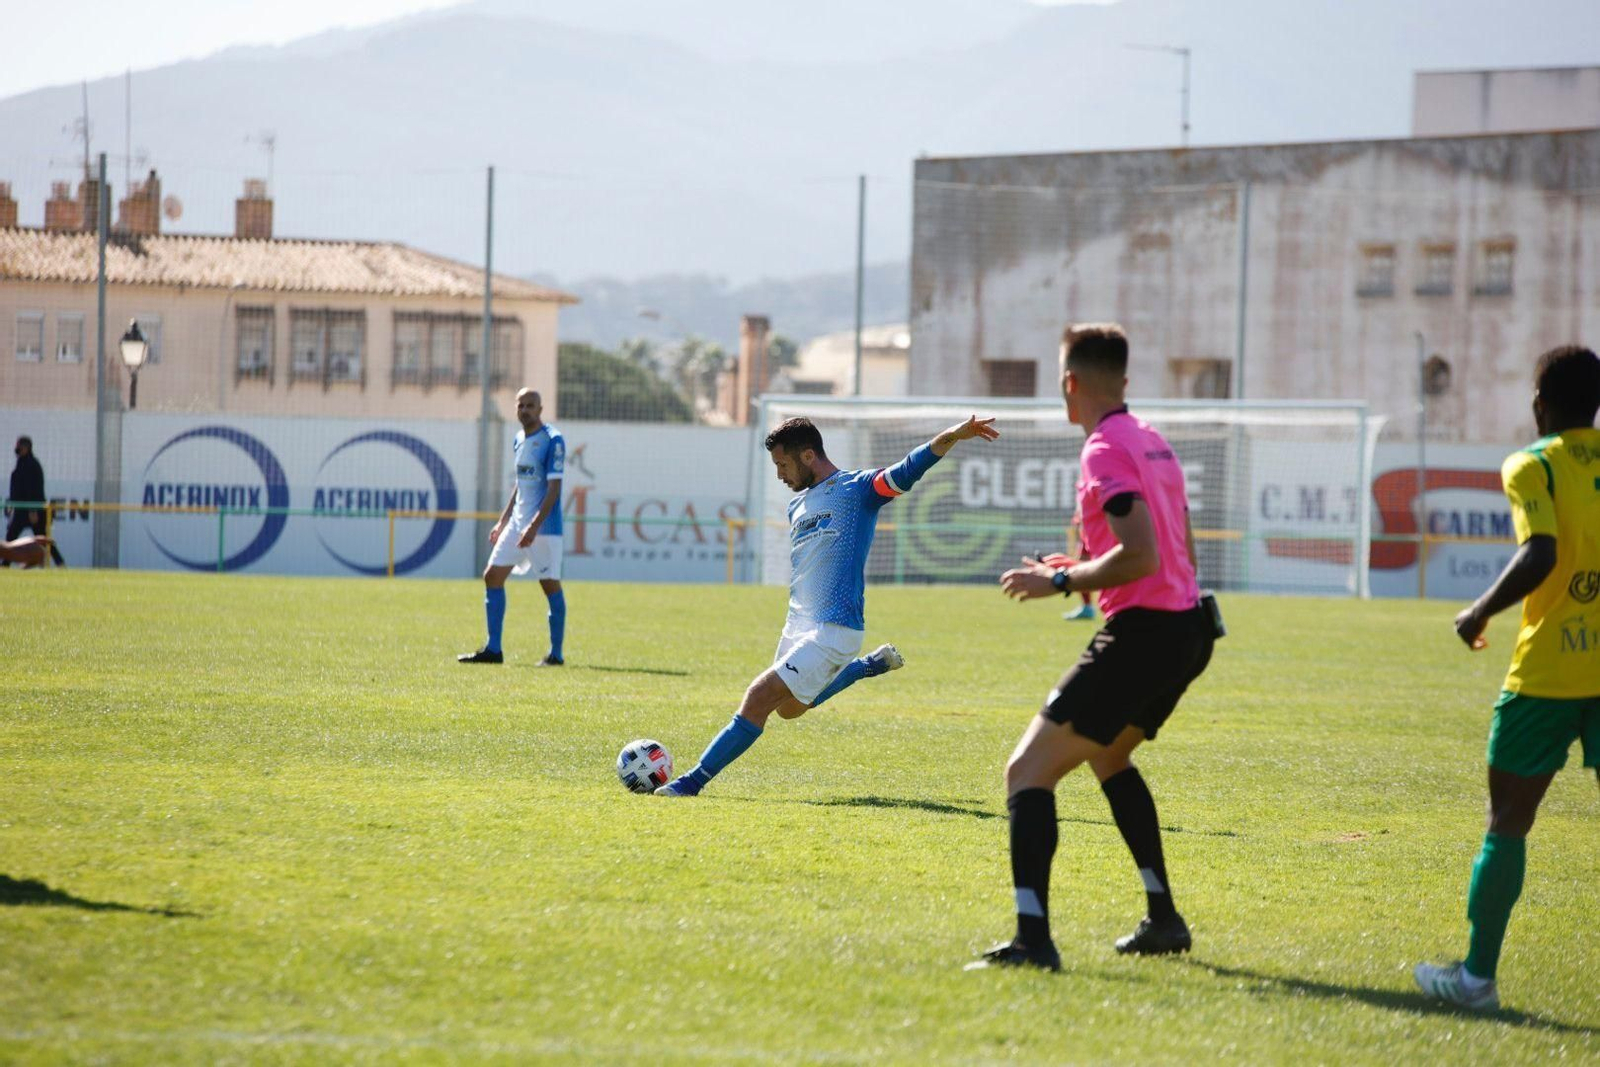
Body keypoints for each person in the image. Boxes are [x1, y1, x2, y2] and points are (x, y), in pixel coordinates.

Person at [968, 323, 1216, 972]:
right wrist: (1081, 560)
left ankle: (1032, 940)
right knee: (1109, 757)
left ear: (1070, 383)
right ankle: (1164, 919)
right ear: (1124, 382)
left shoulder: (1102, 448)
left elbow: (1140, 554)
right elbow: (1178, 543)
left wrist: (1060, 579)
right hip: (1190, 630)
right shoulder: (1153, 440)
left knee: (1026, 772)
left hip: (1145, 633)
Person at [655, 413, 1000, 797]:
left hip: (834, 629)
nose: (780, 474)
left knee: (758, 697)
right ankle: (865, 667)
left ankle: (690, 783)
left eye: (783, 465)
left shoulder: (857, 490)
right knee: (788, 709)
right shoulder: (795, 507)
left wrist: (952, 436)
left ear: (807, 456)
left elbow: (908, 469)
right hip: (797, 625)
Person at [1414, 345, 1600, 1013]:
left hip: (1551, 670)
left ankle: (1476, 979)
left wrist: (1478, 609)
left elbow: (1541, 550)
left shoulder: (1534, 462)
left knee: (1508, 821)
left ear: (1539, 405)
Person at [458, 388, 567, 666]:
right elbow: (520, 485)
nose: (525, 410)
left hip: (544, 529)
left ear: (541, 409)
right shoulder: (519, 439)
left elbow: (553, 489)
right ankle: (493, 650)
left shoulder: (553, 441)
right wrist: (503, 520)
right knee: (492, 576)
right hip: (517, 523)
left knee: (550, 586)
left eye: (531, 405)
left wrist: (533, 526)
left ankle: (556, 655)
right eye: (521, 405)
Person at [5, 436, 65, 567]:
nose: (17, 450)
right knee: (10, 540)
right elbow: (17, 487)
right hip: (20, 509)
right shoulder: (20, 463)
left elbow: (34, 489)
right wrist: (11, 504)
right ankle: (4, 566)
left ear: (27, 448)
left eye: (20, 447)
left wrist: (33, 510)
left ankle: (60, 564)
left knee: (43, 538)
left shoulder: (32, 465)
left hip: (33, 510)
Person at [1061, 512, 1096, 622]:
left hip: (1095, 527)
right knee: (1082, 568)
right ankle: (1087, 606)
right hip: (1087, 527)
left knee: (1083, 569)